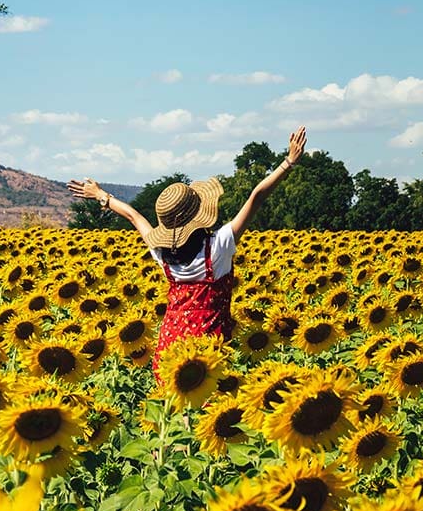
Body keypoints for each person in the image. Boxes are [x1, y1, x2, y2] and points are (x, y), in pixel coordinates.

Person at [67, 126, 307, 377]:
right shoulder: (218, 247)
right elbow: (256, 196)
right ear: (199, 216)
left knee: (176, 413)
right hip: (207, 355)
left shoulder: (162, 255)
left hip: (169, 350)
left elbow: (133, 216)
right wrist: (288, 162)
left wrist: (100, 195)